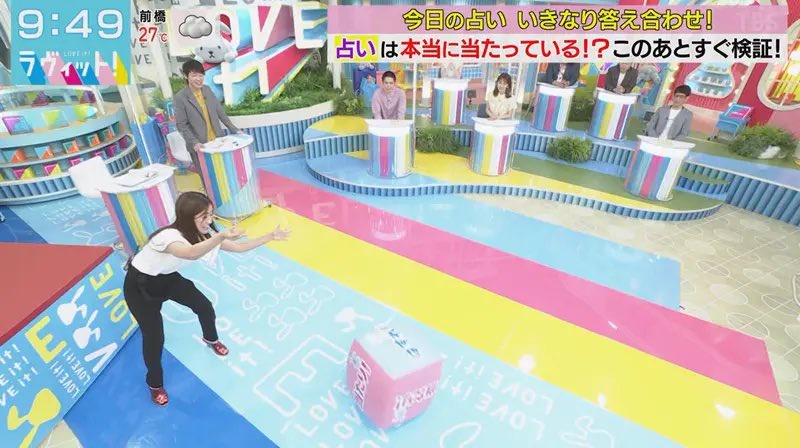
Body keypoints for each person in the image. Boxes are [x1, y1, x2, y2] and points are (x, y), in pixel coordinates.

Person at [123, 191, 290, 406]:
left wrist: (270, 236)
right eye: (204, 216)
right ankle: (154, 383)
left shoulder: (203, 234)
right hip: (140, 286)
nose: (209, 220)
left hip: (167, 278)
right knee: (154, 338)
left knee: (204, 306)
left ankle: (210, 339)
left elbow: (238, 248)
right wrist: (220, 237)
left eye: (211, 214)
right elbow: (190, 253)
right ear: (187, 217)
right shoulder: (167, 236)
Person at [174, 60, 240, 170]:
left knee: (223, 172)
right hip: (200, 146)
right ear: (186, 76)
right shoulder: (180, 98)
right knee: (207, 175)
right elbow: (181, 125)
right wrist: (194, 142)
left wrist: (235, 130)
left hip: (218, 141)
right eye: (194, 75)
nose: (199, 79)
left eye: (201, 75)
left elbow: (220, 112)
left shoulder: (207, 90)